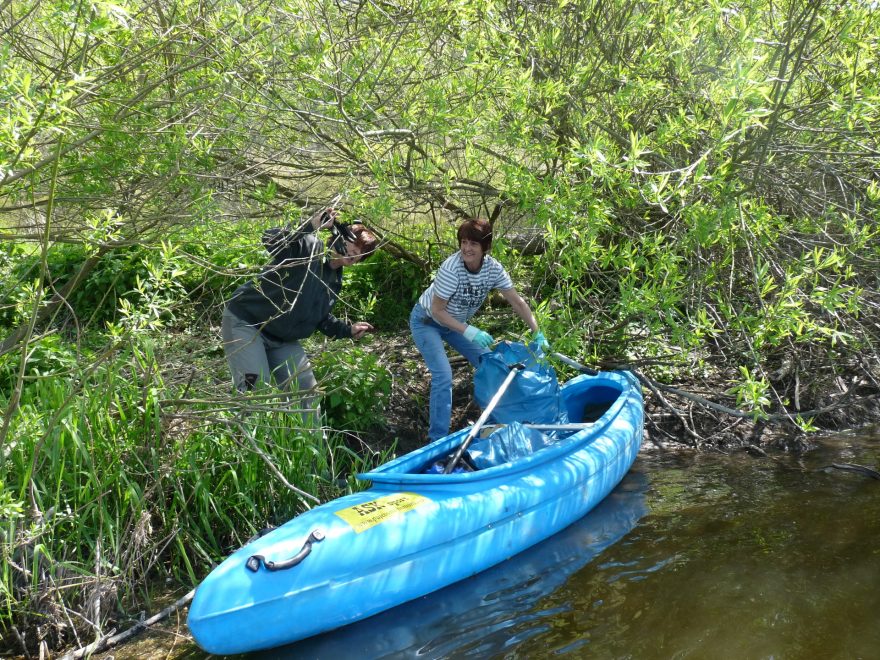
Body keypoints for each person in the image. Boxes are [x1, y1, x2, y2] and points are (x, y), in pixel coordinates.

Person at [221, 206, 378, 423]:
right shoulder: (309, 247)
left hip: (283, 339)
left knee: (307, 393)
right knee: (255, 389)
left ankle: (314, 454)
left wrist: (347, 330)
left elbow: (320, 318)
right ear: (340, 236)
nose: (355, 253)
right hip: (247, 323)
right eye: (355, 245)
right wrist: (310, 226)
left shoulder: (335, 280)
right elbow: (271, 238)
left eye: (362, 254)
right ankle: (245, 450)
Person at [409, 217, 548, 442]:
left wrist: (536, 331)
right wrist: (470, 331)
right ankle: (437, 439)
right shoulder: (451, 268)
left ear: (485, 247)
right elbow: (437, 311)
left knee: (490, 363)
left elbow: (517, 302)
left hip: (455, 324)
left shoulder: (492, 269)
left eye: (473, 243)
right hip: (428, 321)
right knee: (444, 374)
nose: (467, 248)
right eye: (463, 242)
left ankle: (496, 424)